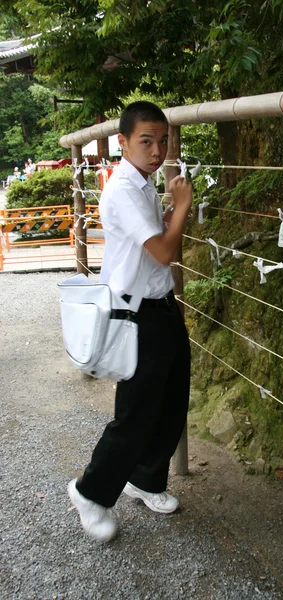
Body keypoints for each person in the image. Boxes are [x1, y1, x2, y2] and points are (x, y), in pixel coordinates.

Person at [67, 101, 192, 542]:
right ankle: (90, 493)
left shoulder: (142, 181)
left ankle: (146, 479)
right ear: (122, 142)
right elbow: (162, 252)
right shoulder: (122, 188)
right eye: (146, 141)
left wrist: (170, 207)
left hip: (161, 308)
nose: (157, 150)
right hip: (137, 314)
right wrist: (182, 206)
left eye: (163, 140)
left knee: (174, 399)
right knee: (135, 414)